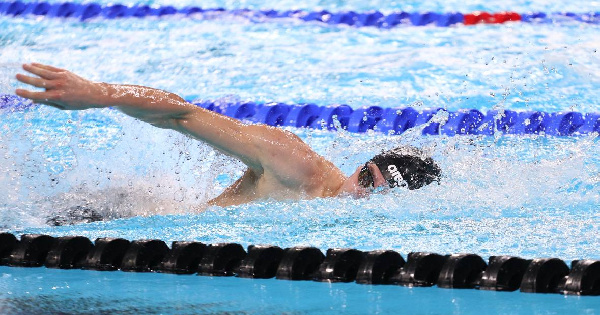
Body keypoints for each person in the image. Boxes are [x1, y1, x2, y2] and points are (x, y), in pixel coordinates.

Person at [15, 63, 441, 208]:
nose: (363, 196)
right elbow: (183, 113)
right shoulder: (295, 165)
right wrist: (98, 94)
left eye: (380, 197)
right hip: (119, 216)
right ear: (361, 168)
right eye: (367, 180)